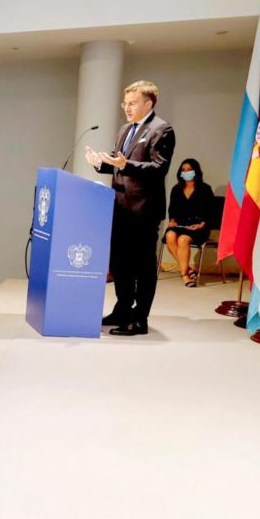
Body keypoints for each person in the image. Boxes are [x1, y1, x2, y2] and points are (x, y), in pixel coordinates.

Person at [85, 80, 176, 336]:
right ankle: (123, 309)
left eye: (132, 103)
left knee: (143, 268)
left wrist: (125, 165)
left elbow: (159, 168)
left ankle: (140, 319)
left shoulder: (161, 129)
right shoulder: (126, 129)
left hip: (143, 211)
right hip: (119, 209)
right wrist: (99, 163)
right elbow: (119, 165)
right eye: (125, 103)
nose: (126, 108)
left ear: (148, 103)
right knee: (120, 264)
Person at [164, 158, 214, 287]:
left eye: (189, 169)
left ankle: (184, 275)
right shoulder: (176, 189)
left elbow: (211, 211)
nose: (186, 172)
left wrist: (202, 224)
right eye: (183, 170)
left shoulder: (205, 189)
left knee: (182, 240)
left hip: (198, 226)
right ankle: (188, 269)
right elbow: (172, 209)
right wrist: (172, 220)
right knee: (170, 236)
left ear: (196, 171)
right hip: (180, 224)